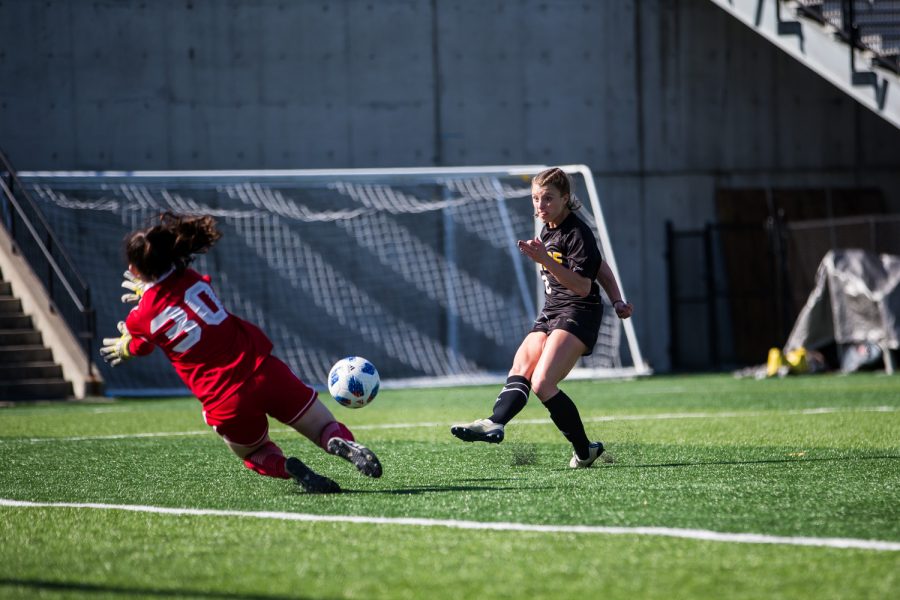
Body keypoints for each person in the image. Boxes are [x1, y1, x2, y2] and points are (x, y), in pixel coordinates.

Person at [100, 211, 381, 493]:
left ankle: (287, 468)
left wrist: (127, 345)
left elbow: (142, 344)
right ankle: (336, 442)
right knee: (322, 426)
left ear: (135, 271)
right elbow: (180, 298)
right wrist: (153, 286)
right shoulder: (193, 280)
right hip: (264, 371)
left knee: (253, 452)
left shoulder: (141, 318)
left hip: (224, 399)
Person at [451, 167, 633, 468]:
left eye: (547, 198)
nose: (540, 205)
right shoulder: (548, 228)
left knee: (543, 383)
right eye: (535, 198)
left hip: (580, 312)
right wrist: (617, 298)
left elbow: (584, 284)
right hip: (552, 311)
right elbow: (599, 266)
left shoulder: (577, 232)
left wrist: (545, 260)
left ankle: (583, 450)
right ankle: (494, 422)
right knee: (521, 365)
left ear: (565, 198)